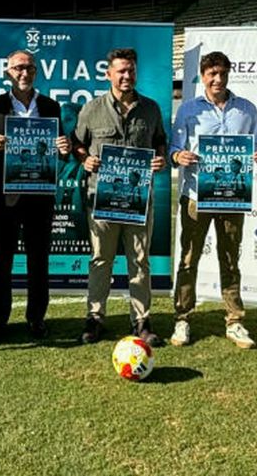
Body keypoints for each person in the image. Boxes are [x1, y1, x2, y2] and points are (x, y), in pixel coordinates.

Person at [168, 50, 257, 349]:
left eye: (223, 73)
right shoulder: (188, 110)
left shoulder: (246, 109)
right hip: (196, 196)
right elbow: (174, 149)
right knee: (189, 259)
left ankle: (235, 321)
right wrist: (178, 155)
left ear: (228, 75)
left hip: (232, 198)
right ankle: (183, 318)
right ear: (202, 76)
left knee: (229, 258)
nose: (218, 79)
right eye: (212, 74)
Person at [72, 47, 168, 347]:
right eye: (121, 71)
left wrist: (161, 159)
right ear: (109, 74)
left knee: (140, 260)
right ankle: (95, 317)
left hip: (139, 200)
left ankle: (141, 319)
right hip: (102, 197)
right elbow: (78, 144)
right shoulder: (91, 108)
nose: (127, 76)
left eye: (131, 70)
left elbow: (160, 143)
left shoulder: (150, 109)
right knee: (101, 259)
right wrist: (84, 159)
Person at [0, 49, 69, 342]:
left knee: (39, 260)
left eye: (28, 68)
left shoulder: (51, 107)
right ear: (7, 72)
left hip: (40, 196)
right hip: (5, 197)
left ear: (36, 72)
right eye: (17, 68)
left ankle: (36, 319)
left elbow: (60, 152)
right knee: (1, 260)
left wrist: (63, 149)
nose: (23, 73)